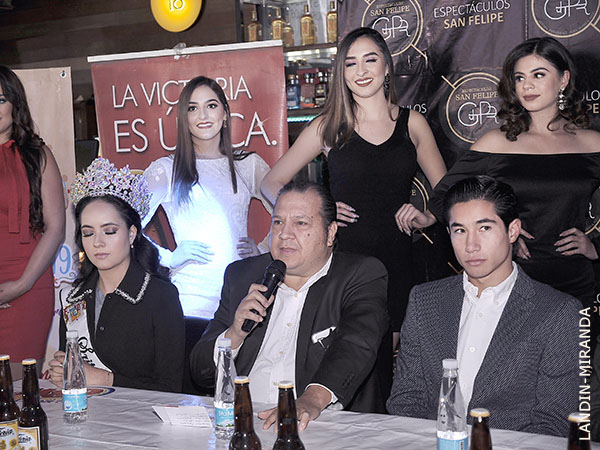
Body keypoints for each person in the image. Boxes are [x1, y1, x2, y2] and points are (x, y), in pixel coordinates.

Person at [261, 28, 446, 346]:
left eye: (370, 60)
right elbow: (270, 182)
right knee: (345, 357)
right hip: (343, 262)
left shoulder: (412, 124)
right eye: (350, 63)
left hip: (397, 260)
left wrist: (428, 216)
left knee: (388, 360)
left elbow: (447, 191)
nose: (361, 71)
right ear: (341, 73)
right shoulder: (328, 127)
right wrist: (319, 210)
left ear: (386, 67)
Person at [415, 37, 600, 315]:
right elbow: (445, 198)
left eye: (538, 75)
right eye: (519, 78)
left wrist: (595, 247)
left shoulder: (592, 144)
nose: (527, 85)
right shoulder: (495, 143)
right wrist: (499, 234)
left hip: (574, 283)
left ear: (563, 79)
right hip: (511, 282)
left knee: (574, 346)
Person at [387, 176, 580, 437]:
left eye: (485, 228)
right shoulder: (425, 300)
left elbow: (554, 425)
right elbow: (405, 401)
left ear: (513, 231)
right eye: (460, 230)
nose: (471, 245)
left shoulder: (557, 313)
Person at [190, 181, 389, 430]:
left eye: (300, 223)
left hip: (320, 425)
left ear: (330, 233)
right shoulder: (242, 275)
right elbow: (200, 372)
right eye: (278, 222)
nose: (285, 234)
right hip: (244, 422)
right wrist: (235, 334)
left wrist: (311, 400)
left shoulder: (359, 275)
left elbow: (355, 345)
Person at [48, 158, 184, 393]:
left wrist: (105, 379)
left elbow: (171, 388)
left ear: (132, 234)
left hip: (143, 415)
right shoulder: (72, 298)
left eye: (109, 231)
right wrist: (64, 374)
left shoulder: (160, 296)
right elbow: (72, 373)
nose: (98, 242)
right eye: (88, 233)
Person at [143, 76, 271, 318]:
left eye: (211, 105)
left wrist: (263, 250)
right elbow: (125, 224)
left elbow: (286, 210)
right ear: (184, 118)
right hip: (191, 300)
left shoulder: (248, 165)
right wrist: (168, 257)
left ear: (225, 114)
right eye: (193, 108)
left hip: (241, 297)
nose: (203, 115)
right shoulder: (166, 169)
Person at [0, 66, 65, 377]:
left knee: (18, 389)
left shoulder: (38, 155)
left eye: (0, 100)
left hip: (27, 285)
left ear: (15, 104)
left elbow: (56, 227)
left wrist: (21, 285)